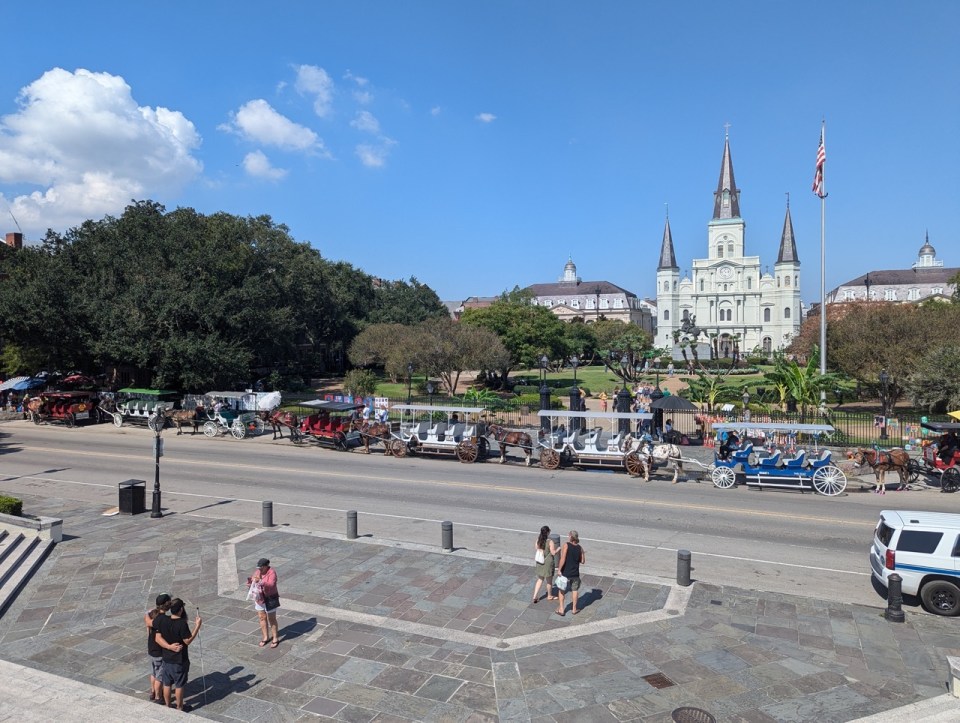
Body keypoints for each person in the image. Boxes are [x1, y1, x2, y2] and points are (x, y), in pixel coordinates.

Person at [153, 597, 202, 711]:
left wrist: (168, 646)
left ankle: (168, 705)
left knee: (167, 683)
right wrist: (197, 626)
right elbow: (187, 641)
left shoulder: (164, 620)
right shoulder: (181, 623)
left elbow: (158, 637)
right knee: (179, 684)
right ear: (180, 609)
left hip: (166, 657)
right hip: (179, 660)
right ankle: (179, 707)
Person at [248, 558, 280, 648]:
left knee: (272, 618)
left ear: (266, 566)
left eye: (261, 567)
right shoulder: (257, 572)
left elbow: (271, 584)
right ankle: (265, 637)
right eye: (258, 567)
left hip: (270, 598)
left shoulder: (272, 572)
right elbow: (253, 581)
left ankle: (275, 638)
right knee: (262, 617)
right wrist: (250, 583)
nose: (259, 569)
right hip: (259, 598)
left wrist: (261, 581)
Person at [145, 593, 171, 703]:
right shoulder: (164, 620)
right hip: (160, 652)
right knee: (160, 677)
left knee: (154, 672)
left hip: (151, 649)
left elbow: (148, 622)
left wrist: (146, 613)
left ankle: (152, 692)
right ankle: (158, 697)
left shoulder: (152, 616)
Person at [556, 530, 585, 616]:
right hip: (575, 573)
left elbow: (563, 558)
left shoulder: (566, 545)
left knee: (561, 590)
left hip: (565, 572)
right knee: (574, 590)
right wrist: (582, 553)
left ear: (571, 536)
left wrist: (559, 569)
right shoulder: (580, 548)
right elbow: (583, 561)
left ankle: (561, 609)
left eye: (569, 535)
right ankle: (574, 609)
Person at [532, 525, 559, 604]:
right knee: (549, 581)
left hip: (540, 562)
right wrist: (558, 549)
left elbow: (536, 548)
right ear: (547, 532)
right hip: (547, 563)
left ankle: (535, 596)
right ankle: (549, 596)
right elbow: (553, 553)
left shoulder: (538, 540)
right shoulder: (550, 541)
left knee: (540, 579)